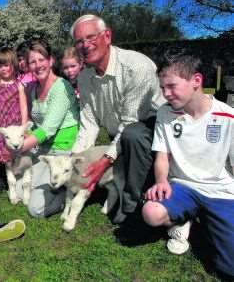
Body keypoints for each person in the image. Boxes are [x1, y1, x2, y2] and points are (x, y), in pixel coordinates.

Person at [142, 50, 234, 278]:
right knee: (151, 212)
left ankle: (208, 221)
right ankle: (183, 220)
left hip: (220, 191)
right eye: (163, 88)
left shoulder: (227, 116)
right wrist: (161, 181)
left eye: (171, 86)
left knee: (229, 268)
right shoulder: (165, 113)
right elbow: (162, 155)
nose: (166, 94)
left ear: (196, 81)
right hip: (181, 186)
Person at [70, 14, 165, 223]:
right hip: (121, 136)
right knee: (125, 139)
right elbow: (89, 122)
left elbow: (130, 122)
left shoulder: (136, 67)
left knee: (132, 134)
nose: (85, 45)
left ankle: (133, 204)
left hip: (153, 133)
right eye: (79, 41)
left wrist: (104, 161)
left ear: (107, 36)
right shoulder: (85, 77)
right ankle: (129, 191)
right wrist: (74, 159)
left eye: (91, 37)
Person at [15, 39, 79, 218]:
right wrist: (20, 135)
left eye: (41, 60)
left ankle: (65, 195)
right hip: (44, 150)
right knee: (20, 190)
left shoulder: (61, 87)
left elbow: (48, 129)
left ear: (50, 61)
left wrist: (20, 146)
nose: (37, 65)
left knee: (35, 209)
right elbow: (35, 124)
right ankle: (54, 185)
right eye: (32, 62)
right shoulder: (34, 88)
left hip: (61, 150)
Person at [0, 48, 28, 190]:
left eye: (7, 65)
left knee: (11, 150)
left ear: (13, 65)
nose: (4, 69)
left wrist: (24, 126)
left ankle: (13, 174)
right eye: (0, 66)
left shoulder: (19, 85)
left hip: (13, 124)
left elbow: (24, 106)